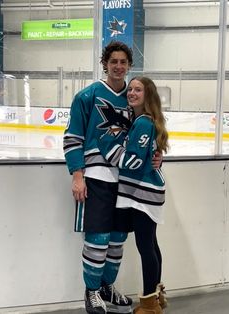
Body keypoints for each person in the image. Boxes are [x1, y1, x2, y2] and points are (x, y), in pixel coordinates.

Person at [63, 41, 162, 314]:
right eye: (113, 61)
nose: (118, 66)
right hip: (96, 178)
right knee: (98, 237)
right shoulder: (87, 96)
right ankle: (91, 291)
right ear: (104, 63)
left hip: (126, 182)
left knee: (118, 238)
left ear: (129, 66)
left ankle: (107, 286)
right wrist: (77, 175)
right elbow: (73, 138)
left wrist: (157, 155)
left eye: (123, 62)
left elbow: (148, 135)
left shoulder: (132, 98)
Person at [97, 77, 169, 314]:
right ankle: (156, 298)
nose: (132, 93)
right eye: (131, 89)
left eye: (138, 89)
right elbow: (147, 156)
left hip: (143, 195)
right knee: (152, 245)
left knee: (145, 246)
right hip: (145, 192)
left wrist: (109, 146)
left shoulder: (143, 123)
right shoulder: (141, 121)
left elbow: (133, 161)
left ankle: (149, 305)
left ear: (148, 95)